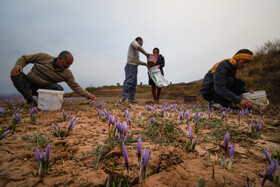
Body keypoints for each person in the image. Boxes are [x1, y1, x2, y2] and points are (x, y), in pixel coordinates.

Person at [10, 51, 96, 105]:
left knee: (58, 88)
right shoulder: (43, 57)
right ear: (59, 58)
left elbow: (75, 86)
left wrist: (88, 95)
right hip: (28, 83)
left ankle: (43, 102)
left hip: (43, 89)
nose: (68, 66)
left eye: (70, 65)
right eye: (67, 63)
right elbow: (25, 58)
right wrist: (18, 66)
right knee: (16, 75)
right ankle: (30, 100)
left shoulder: (67, 73)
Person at [121, 37, 149, 103]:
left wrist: (145, 64)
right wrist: (146, 54)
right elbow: (138, 47)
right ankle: (123, 97)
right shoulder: (133, 42)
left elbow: (137, 61)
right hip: (130, 65)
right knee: (129, 81)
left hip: (134, 66)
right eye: (141, 43)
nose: (141, 45)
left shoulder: (136, 51)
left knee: (134, 84)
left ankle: (131, 99)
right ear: (139, 40)